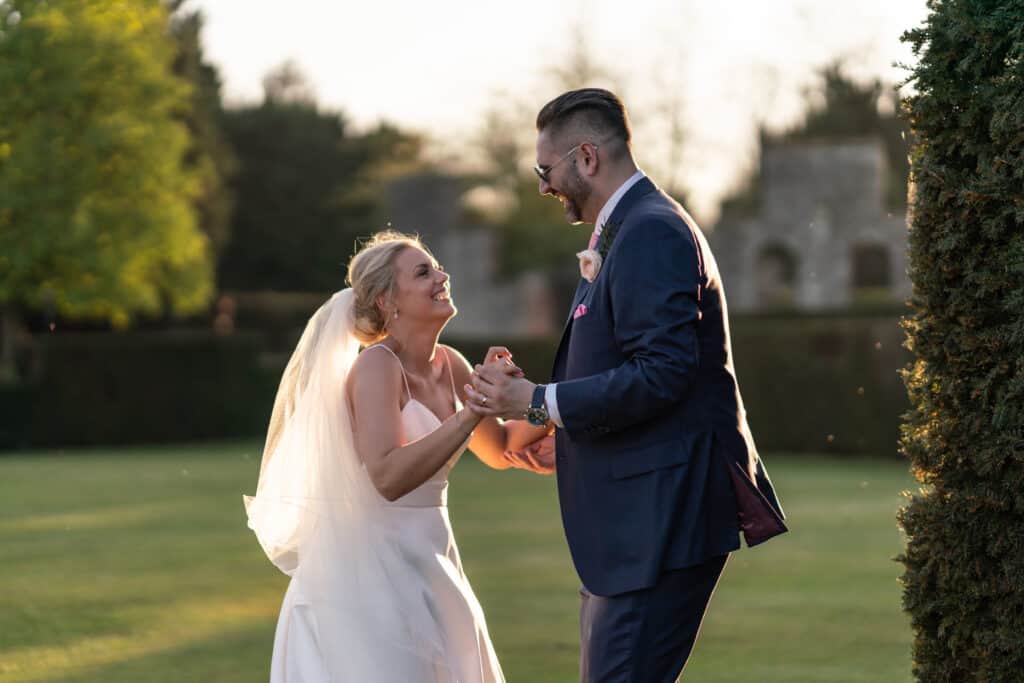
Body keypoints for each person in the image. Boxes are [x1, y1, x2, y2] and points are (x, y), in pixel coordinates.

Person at [465, 88, 787, 682]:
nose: (542, 186)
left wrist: (538, 403)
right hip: (634, 525)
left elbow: (663, 372)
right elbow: (630, 364)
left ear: (586, 157)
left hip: (660, 521)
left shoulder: (651, 230)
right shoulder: (623, 230)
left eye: (546, 169)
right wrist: (567, 432)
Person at [244, 231, 554, 682]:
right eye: (424, 272)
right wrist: (472, 412)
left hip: (435, 559)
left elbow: (501, 447)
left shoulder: (452, 363)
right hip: (371, 571)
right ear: (389, 300)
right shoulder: (376, 366)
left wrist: (552, 403)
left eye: (437, 268)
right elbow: (387, 476)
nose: (442, 276)